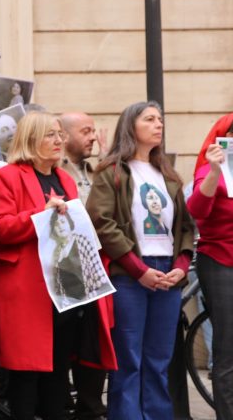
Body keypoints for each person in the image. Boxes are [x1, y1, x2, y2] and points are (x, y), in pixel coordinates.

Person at [0, 111, 116, 420]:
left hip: (65, 289)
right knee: (26, 374)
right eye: (51, 135)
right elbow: (0, 228)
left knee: (58, 372)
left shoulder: (65, 179)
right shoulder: (8, 175)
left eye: (60, 134)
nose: (59, 140)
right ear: (31, 139)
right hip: (27, 290)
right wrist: (40, 215)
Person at [85, 101, 195, 419]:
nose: (158, 124)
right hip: (129, 274)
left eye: (160, 119)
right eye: (149, 119)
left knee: (159, 360)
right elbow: (101, 222)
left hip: (168, 274)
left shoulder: (168, 174)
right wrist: (138, 269)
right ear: (130, 126)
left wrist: (181, 267)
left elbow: (185, 226)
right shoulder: (111, 172)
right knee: (128, 359)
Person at [58, 111, 108, 419]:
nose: (92, 137)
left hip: (96, 264)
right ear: (64, 136)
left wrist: (107, 162)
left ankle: (90, 405)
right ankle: (62, 400)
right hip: (66, 265)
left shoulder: (94, 170)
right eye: (85, 131)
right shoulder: (55, 171)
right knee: (66, 338)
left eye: (92, 131)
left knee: (93, 337)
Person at [187, 113, 233, 419]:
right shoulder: (210, 169)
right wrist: (216, 170)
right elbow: (197, 210)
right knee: (228, 348)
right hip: (221, 261)